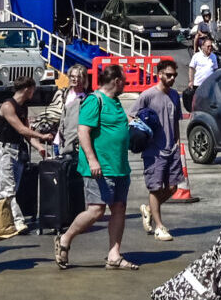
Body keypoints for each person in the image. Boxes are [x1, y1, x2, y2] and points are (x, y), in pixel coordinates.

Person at [58, 63, 136, 271]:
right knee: (96, 210)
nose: (125, 85)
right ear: (117, 81)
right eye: (124, 82)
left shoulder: (115, 101)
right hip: (100, 167)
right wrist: (92, 160)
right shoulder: (95, 100)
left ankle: (114, 255)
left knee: (119, 208)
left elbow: (118, 123)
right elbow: (83, 132)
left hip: (119, 166)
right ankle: (65, 238)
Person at [136, 58, 186, 241]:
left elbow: (176, 122)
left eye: (174, 75)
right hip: (154, 151)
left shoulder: (174, 96)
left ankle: (149, 209)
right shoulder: (147, 95)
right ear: (160, 75)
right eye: (169, 75)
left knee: (173, 187)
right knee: (155, 189)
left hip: (171, 149)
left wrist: (178, 144)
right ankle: (159, 227)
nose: (172, 78)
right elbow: (131, 117)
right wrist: (142, 135)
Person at [0, 78, 50, 232]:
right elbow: (21, 129)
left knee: (10, 189)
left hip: (17, 149)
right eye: (33, 89)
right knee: (8, 189)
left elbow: (27, 133)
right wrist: (43, 136)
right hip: (5, 149)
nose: (34, 93)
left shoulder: (23, 106)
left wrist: (39, 147)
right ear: (27, 89)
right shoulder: (8, 106)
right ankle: (18, 222)